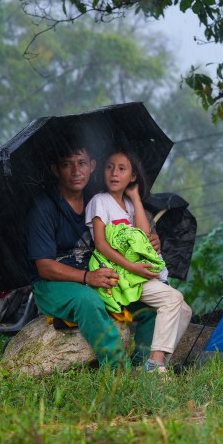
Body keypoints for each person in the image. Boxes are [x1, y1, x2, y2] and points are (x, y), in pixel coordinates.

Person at [25, 140, 158, 369]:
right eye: (67, 165)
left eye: (82, 163)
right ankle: (119, 373)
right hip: (55, 284)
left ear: (93, 165)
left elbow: (123, 230)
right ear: (56, 169)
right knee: (88, 300)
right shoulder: (44, 208)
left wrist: (149, 240)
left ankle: (143, 368)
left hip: (99, 274)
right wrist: (87, 277)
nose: (76, 171)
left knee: (146, 305)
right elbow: (44, 266)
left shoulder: (98, 198)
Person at [85, 149, 192, 374]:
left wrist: (134, 197)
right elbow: (101, 245)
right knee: (173, 298)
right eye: (109, 167)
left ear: (133, 177)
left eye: (122, 169)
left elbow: (143, 235)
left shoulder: (130, 204)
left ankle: (155, 363)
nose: (114, 173)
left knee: (184, 311)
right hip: (120, 274)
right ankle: (155, 364)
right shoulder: (100, 201)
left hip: (136, 274)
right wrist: (132, 266)